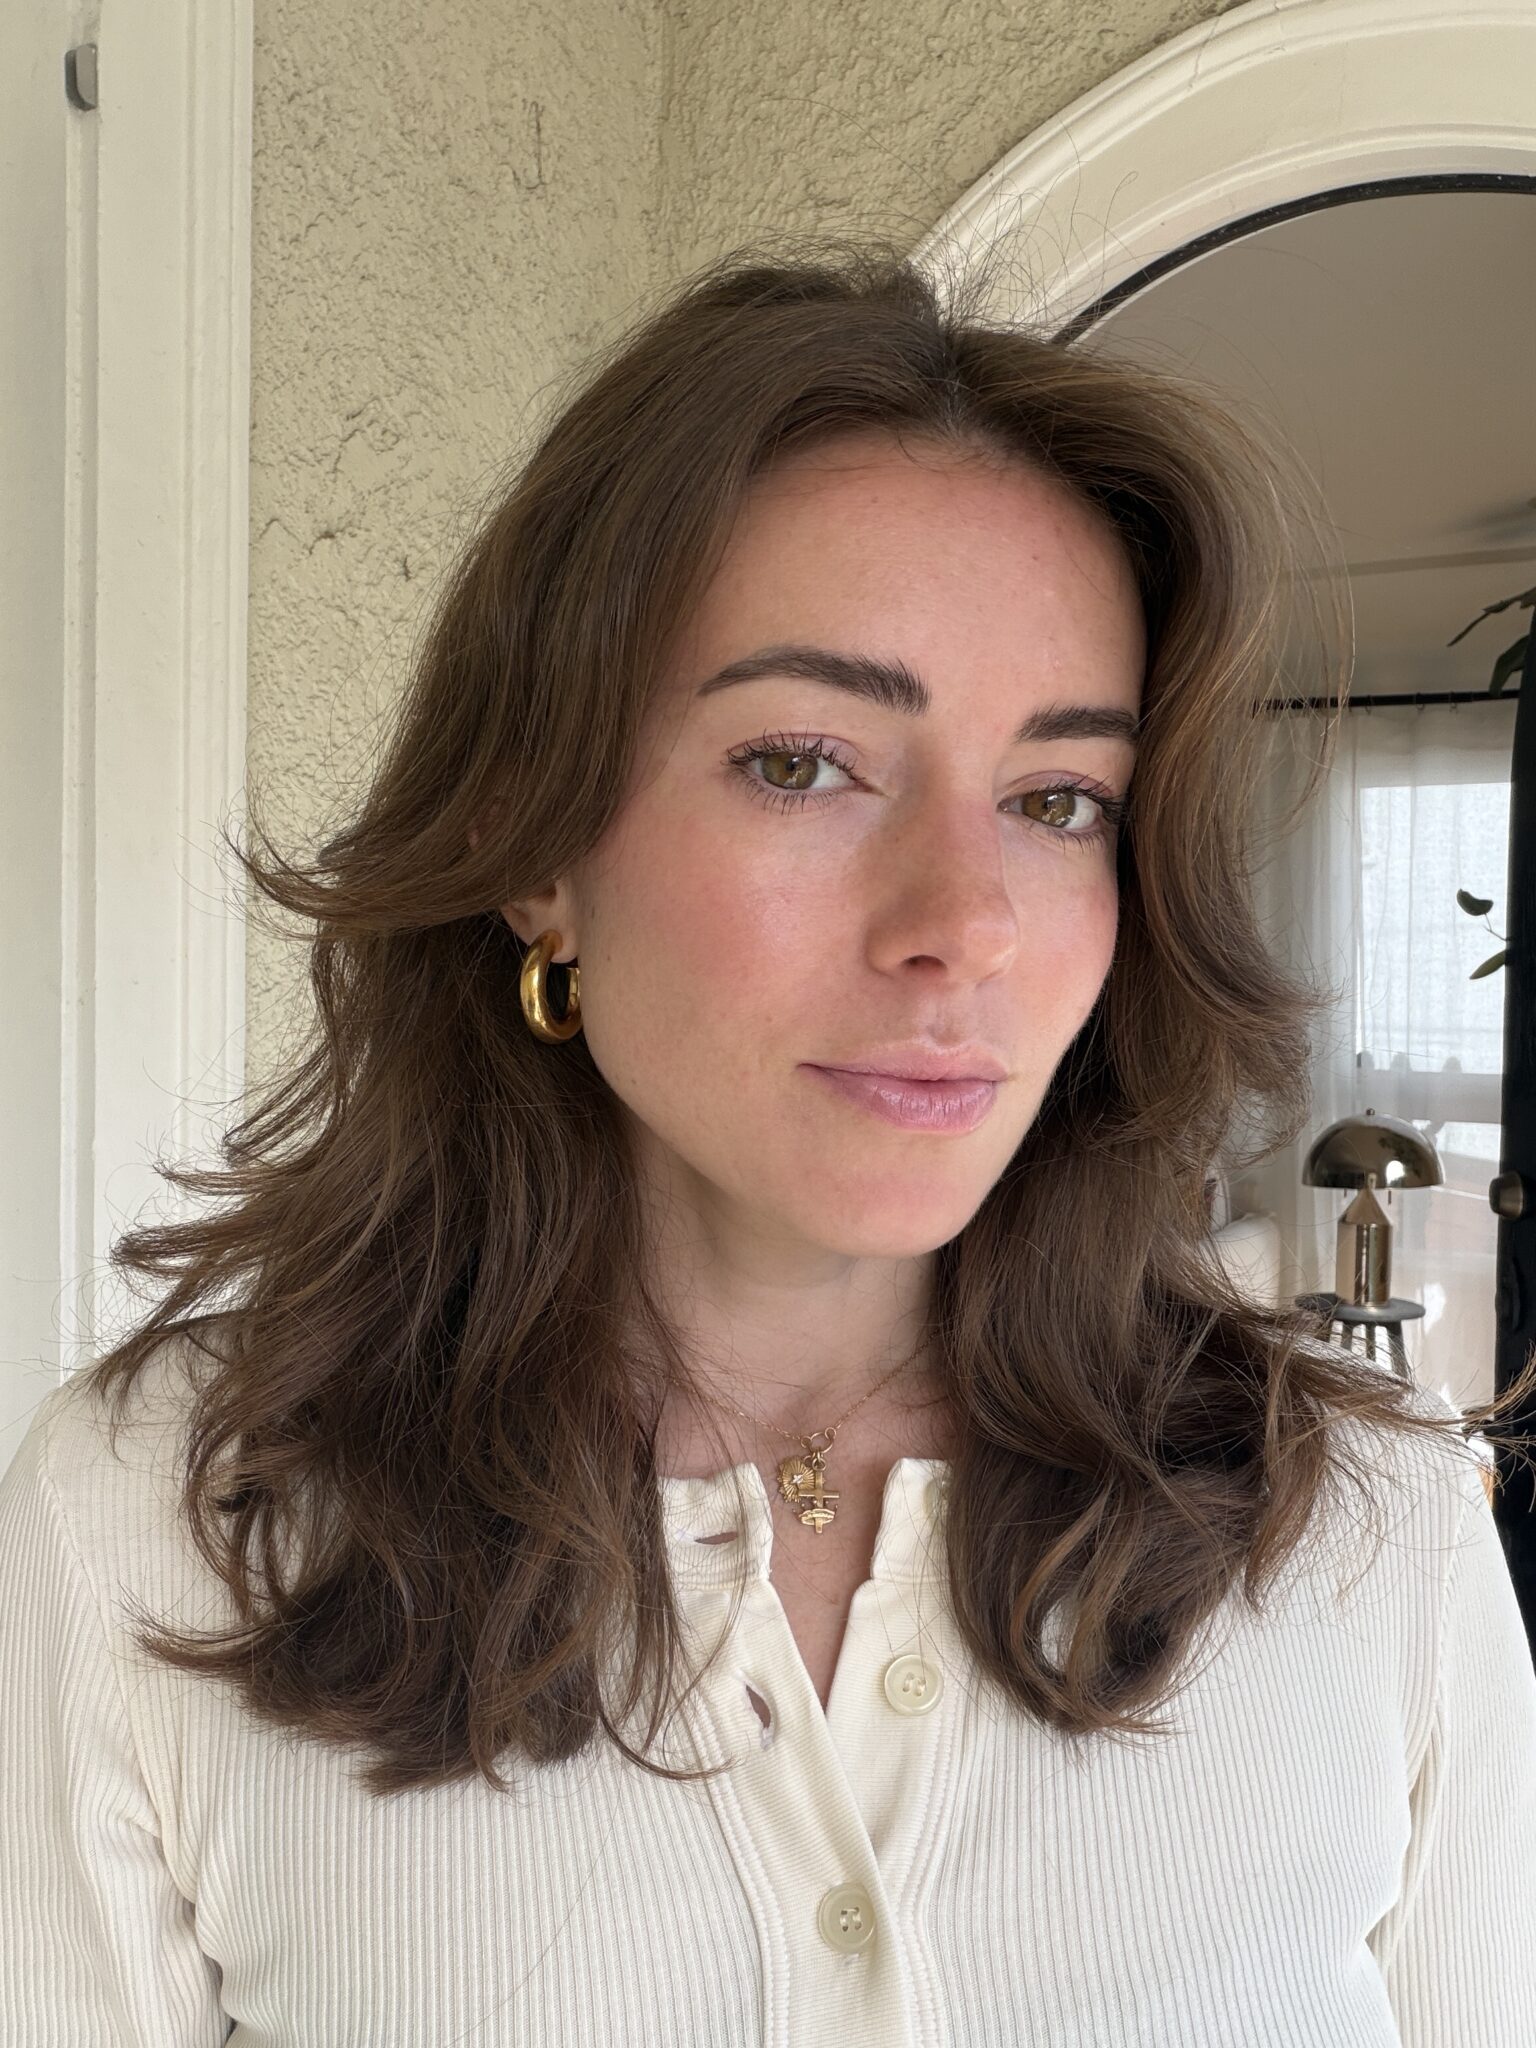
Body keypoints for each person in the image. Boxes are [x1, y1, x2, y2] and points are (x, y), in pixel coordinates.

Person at [2, 234, 1533, 2047]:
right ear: (533, 842)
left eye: (1058, 801)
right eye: (804, 761)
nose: (961, 922)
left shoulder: (1370, 1537)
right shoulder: (167, 1532)